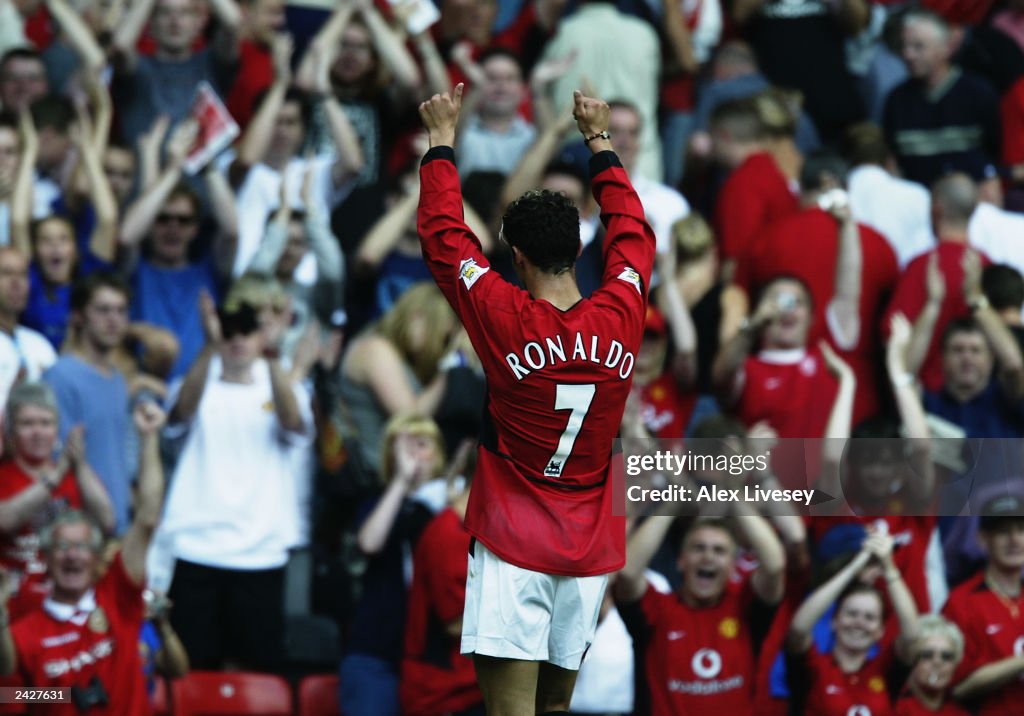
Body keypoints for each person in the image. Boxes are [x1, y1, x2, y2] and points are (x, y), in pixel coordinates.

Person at [416, 85, 656, 714]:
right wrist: (599, 139)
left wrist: (441, 141)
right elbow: (633, 233)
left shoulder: (502, 314)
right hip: (588, 542)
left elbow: (445, 237)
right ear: (578, 251)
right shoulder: (623, 309)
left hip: (513, 536)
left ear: (516, 256)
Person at [157, 295, 312, 673]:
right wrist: (210, 344)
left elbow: (293, 423)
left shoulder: (283, 383)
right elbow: (179, 415)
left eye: (247, 329)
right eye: (229, 330)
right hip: (196, 547)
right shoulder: (196, 378)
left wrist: (273, 353)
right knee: (191, 670)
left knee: (259, 674)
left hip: (260, 550)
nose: (237, 339)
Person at [0, 398, 167, 715]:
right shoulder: (24, 633)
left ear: (96, 557)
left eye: (81, 547)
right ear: (46, 559)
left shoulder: (118, 598)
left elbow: (146, 517)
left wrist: (149, 438)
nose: (72, 556)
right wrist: (61, 697)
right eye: (62, 548)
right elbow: (9, 699)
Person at [614, 509, 786, 714]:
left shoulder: (745, 608)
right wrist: (672, 502)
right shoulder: (658, 610)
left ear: (733, 566)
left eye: (719, 550)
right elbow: (627, 572)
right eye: (698, 548)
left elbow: (775, 566)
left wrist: (734, 494)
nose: (708, 557)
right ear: (681, 560)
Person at [0, 382, 115, 619]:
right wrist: (56, 475)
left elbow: (107, 521)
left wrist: (80, 465)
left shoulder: (74, 476)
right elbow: (5, 520)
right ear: (10, 431)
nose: (38, 432)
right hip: (14, 611)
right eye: (27, 424)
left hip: (68, 609)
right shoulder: (4, 476)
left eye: (46, 423)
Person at [785, 528, 920, 716]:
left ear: (880, 630)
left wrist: (889, 567)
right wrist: (855, 566)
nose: (859, 622)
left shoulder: (884, 671)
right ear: (835, 621)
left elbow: (912, 636)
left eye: (869, 617)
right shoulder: (814, 668)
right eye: (851, 614)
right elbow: (798, 630)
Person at [894, 615, 970, 715]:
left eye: (946, 656)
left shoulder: (961, 712)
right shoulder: (895, 706)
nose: (937, 662)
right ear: (912, 660)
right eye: (927, 655)